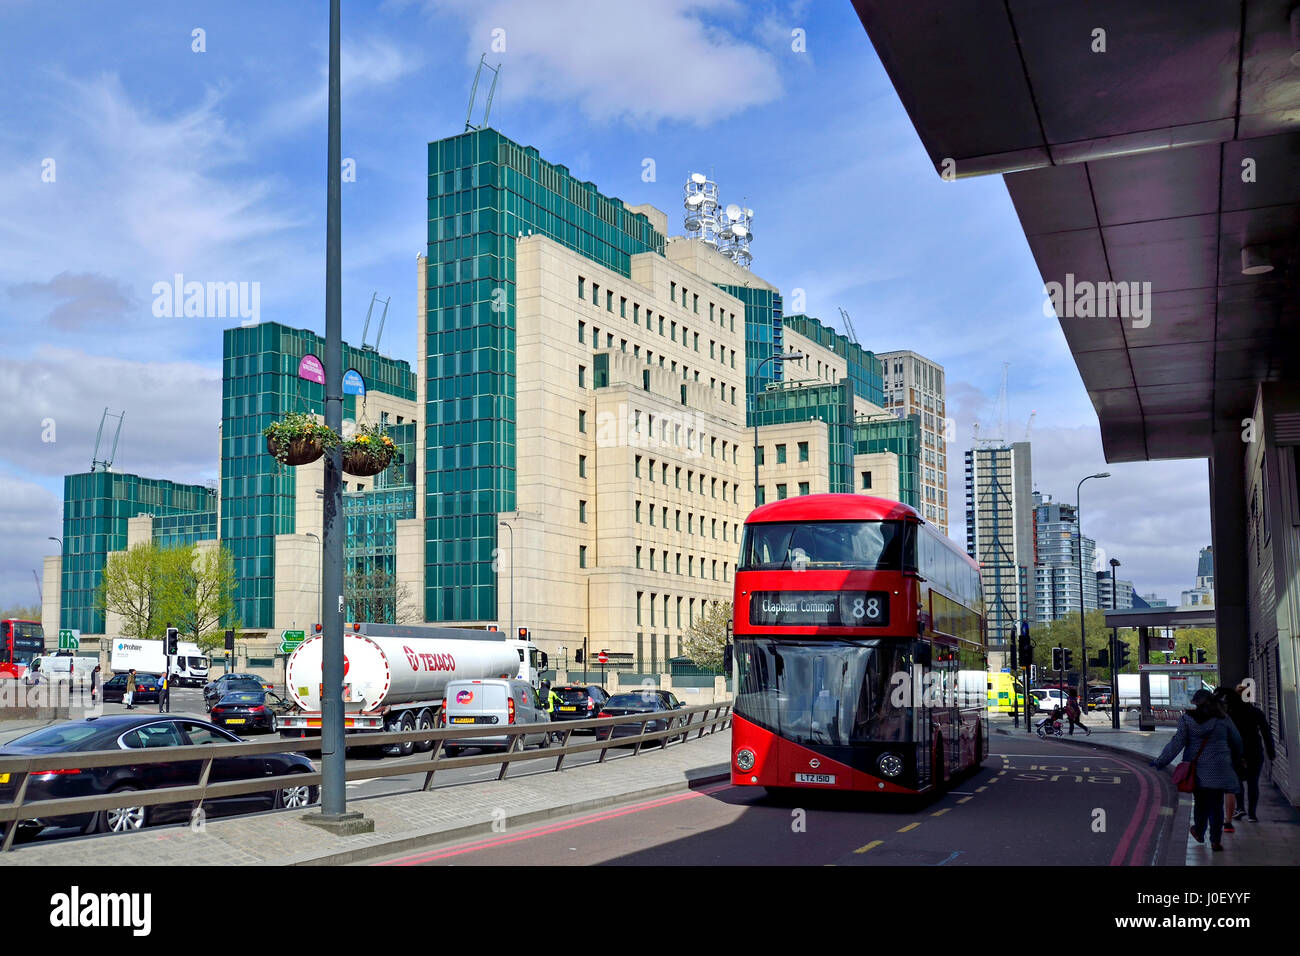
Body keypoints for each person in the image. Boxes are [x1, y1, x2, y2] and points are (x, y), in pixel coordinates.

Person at [1152, 689, 1244, 852]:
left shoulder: (1187, 720)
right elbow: (1236, 741)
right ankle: (1216, 840)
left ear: (1195, 703)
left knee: (1201, 802)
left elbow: (1177, 743)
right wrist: (1235, 761)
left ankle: (1199, 831)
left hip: (1197, 769)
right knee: (1216, 804)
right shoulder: (1223, 719)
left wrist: (1161, 761)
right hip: (1221, 767)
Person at [1226, 683, 1276, 822]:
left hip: (1237, 752)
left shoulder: (1230, 713)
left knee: (1237, 781)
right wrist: (1270, 751)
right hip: (1254, 751)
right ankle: (1252, 814)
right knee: (1253, 783)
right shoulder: (1256, 712)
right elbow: (1266, 732)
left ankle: (1240, 808)